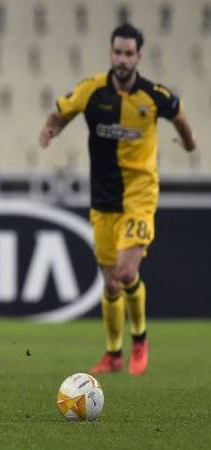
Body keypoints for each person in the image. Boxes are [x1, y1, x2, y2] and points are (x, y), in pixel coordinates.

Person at [39, 23, 196, 376]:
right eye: (118, 52)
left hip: (140, 194)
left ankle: (140, 338)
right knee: (110, 283)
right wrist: (51, 129)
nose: (123, 59)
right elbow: (62, 111)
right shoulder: (92, 90)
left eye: (129, 53)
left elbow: (181, 117)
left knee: (127, 273)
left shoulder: (154, 95)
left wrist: (188, 144)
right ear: (111, 53)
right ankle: (113, 353)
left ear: (139, 56)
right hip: (103, 198)